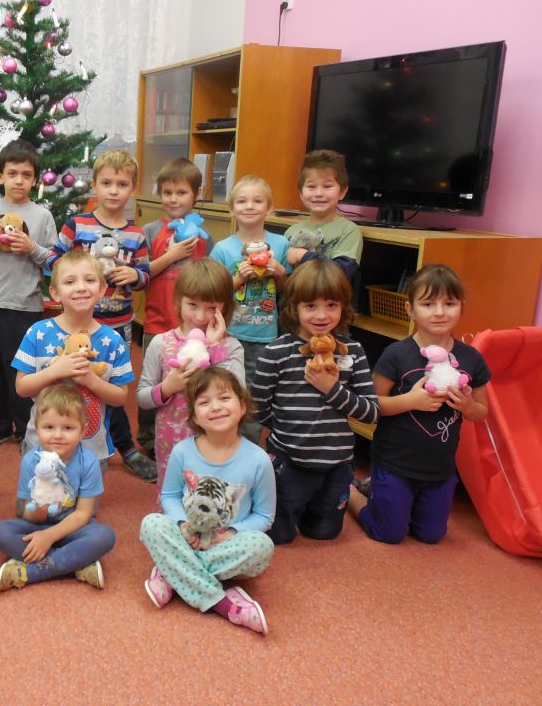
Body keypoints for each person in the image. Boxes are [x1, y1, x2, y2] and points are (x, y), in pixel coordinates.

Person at [347, 265, 489, 544]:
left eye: (449, 303)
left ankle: (386, 497)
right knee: (389, 533)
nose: (439, 312)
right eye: (428, 304)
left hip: (439, 469)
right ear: (410, 309)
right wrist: (410, 401)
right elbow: (372, 405)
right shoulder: (396, 354)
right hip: (394, 463)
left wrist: (467, 406)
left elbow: (482, 412)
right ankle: (352, 491)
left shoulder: (471, 358)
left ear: (462, 307)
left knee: (431, 535)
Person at [251, 260, 379, 544]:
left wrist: (332, 389)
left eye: (331, 305)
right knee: (278, 535)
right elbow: (258, 407)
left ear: (343, 306)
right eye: (310, 306)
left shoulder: (353, 351)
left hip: (337, 464)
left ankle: (348, 491)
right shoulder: (275, 353)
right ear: (294, 307)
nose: (322, 315)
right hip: (288, 461)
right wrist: (287, 429)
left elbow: (372, 412)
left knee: (324, 533)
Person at [139, 367, 275, 634]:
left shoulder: (259, 459)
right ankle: (223, 603)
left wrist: (230, 534)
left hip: (224, 545)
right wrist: (181, 525)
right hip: (186, 538)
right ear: (194, 417)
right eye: (204, 402)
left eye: (224, 398)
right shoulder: (182, 451)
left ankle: (173, 574)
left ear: (242, 406)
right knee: (151, 524)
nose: (216, 407)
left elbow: (264, 516)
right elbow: (169, 496)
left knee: (262, 546)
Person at [46, 150, 155, 481]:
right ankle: (63, 446)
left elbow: (146, 275)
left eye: (122, 184)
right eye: (106, 183)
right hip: (75, 324)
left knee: (112, 386)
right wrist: (80, 270)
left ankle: (125, 447)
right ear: (94, 184)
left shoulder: (136, 235)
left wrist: (134, 276)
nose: (113, 190)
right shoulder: (77, 224)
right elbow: (52, 259)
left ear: (133, 188)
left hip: (117, 325)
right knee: (71, 384)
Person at [0, 139, 58, 450]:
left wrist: (31, 248)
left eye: (26, 175)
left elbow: (55, 262)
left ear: (35, 180)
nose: (19, 180)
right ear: (0, 176)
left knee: (23, 368)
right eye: (12, 174)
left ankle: (25, 427)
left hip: (26, 305)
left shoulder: (42, 216)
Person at [137, 259, 245, 502]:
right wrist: (167, 388)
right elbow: (142, 398)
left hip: (217, 442)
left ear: (224, 306)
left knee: (213, 499)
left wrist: (215, 347)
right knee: (172, 498)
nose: (200, 316)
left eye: (211, 307)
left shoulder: (231, 347)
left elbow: (238, 396)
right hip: (171, 441)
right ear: (178, 301)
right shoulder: (161, 343)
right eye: (192, 305)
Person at [14, 251, 133, 471]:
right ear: (55, 293)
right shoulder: (38, 332)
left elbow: (120, 397)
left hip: (91, 450)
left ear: (102, 289)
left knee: (86, 494)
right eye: (70, 282)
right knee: (40, 492)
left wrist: (91, 380)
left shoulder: (113, 341)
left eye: (89, 280)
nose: (80, 287)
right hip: (41, 446)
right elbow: (21, 387)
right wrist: (54, 371)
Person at [0, 383, 115, 591]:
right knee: (0, 532)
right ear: (37, 428)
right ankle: (75, 563)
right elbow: (23, 509)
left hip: (73, 528)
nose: (58, 435)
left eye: (68, 428)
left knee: (104, 536)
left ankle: (30, 572)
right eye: (49, 427)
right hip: (37, 527)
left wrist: (49, 537)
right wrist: (36, 512)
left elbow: (83, 513)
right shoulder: (31, 461)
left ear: (83, 431)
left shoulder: (89, 461)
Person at [138, 157, 212, 455]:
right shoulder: (150, 231)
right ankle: (147, 438)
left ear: (196, 194)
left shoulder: (205, 237)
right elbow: (141, 274)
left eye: (181, 192)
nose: (173, 199)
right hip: (158, 322)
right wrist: (171, 256)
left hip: (194, 328)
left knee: (193, 381)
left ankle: (191, 433)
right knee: (153, 380)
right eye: (167, 192)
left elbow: (209, 280)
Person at [210, 175, 290, 443]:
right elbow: (214, 294)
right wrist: (238, 279)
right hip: (229, 332)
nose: (249, 206)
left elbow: (289, 291)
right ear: (231, 208)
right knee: (224, 386)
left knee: (256, 393)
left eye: (257, 201)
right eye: (242, 201)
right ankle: (222, 438)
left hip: (265, 335)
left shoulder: (281, 244)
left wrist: (280, 273)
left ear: (270, 208)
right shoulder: (222, 249)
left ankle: (248, 444)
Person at [284, 149, 362, 282]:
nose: (319, 193)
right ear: (301, 194)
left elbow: (340, 273)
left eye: (327, 186)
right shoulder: (291, 231)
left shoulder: (348, 231)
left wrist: (304, 256)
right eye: (311, 187)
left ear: (342, 192)